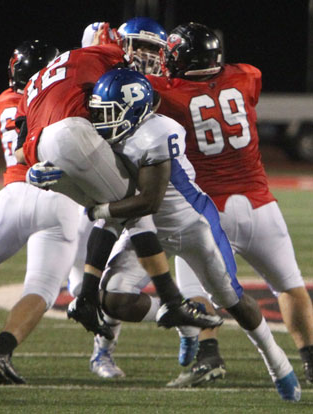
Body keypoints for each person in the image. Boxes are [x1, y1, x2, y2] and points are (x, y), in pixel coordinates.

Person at [58, 66, 301, 402]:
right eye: (99, 113)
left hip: (192, 225)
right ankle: (185, 320)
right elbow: (110, 222)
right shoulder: (112, 140)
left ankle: (278, 364)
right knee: (113, 299)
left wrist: (101, 209)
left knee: (231, 300)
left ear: (137, 110)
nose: (102, 122)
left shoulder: (158, 132)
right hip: (145, 227)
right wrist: (86, 289)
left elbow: (148, 200)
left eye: (109, 113)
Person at [15, 29, 215, 338]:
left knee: (109, 209)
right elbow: (128, 89)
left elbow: (19, 147)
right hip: (72, 134)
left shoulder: (37, 82)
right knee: (135, 203)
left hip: (40, 153)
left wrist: (31, 170)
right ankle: (172, 300)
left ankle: (84, 297)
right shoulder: (105, 55)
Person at [147, 22, 313, 387]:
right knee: (289, 286)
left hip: (208, 211)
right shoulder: (247, 77)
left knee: (192, 290)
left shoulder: (166, 93)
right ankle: (310, 361)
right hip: (259, 206)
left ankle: (209, 358)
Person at [0, 40, 81, 385]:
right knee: (42, 289)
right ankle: (0, 350)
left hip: (13, 195)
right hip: (59, 199)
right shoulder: (64, 99)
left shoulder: (0, 103)